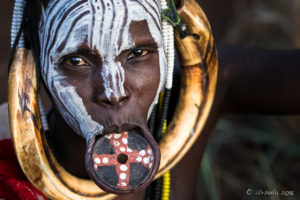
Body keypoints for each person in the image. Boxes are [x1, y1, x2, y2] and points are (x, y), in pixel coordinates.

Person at [2, 0, 300, 199]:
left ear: (165, 46)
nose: (115, 92)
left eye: (138, 54)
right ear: (36, 60)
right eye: (77, 60)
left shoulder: (197, 92)